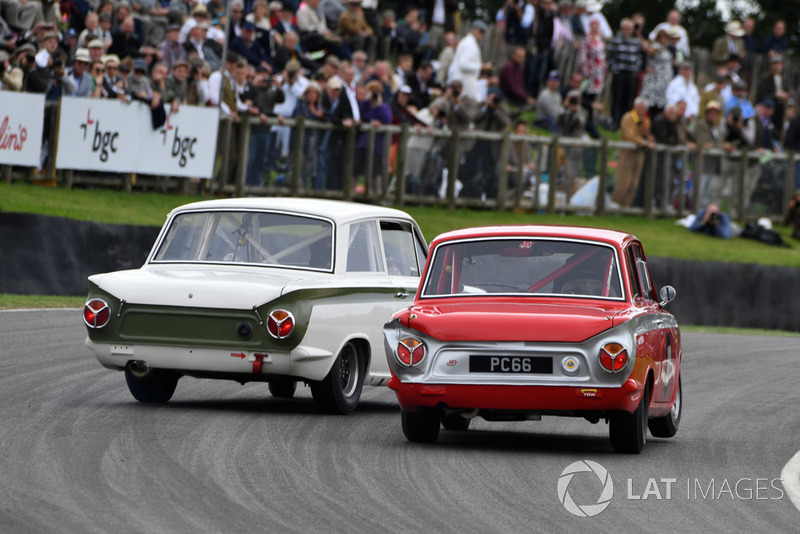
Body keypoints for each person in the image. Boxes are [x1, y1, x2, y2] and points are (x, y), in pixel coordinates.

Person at [613, 97, 654, 207]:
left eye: (643, 109)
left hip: (639, 154)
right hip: (627, 153)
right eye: (639, 108)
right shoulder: (628, 118)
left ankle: (625, 208)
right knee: (623, 181)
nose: (641, 111)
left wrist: (648, 139)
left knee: (633, 183)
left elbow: (645, 136)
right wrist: (644, 143)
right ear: (635, 107)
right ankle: (615, 206)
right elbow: (629, 135)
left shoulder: (646, 121)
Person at [605, 18, 642, 130]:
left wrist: (636, 68)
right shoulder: (615, 41)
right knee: (617, 97)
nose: (626, 30)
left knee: (628, 99)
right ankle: (615, 122)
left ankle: (625, 123)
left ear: (631, 30)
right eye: (624, 28)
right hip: (619, 73)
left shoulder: (635, 42)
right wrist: (615, 68)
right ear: (621, 29)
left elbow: (638, 58)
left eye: (629, 28)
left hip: (630, 74)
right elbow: (609, 56)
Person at [447, 19, 487, 103]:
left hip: (466, 79)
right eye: (480, 31)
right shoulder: (469, 43)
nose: (482, 34)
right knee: (477, 102)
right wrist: (481, 67)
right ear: (473, 29)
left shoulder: (470, 42)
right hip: (464, 80)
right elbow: (463, 65)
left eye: (483, 32)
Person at [639, 27, 673, 119]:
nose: (663, 39)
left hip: (664, 83)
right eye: (661, 37)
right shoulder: (656, 46)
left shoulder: (667, 50)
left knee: (661, 107)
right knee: (651, 106)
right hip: (655, 81)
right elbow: (649, 51)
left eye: (665, 37)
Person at [755, 54, 790, 138]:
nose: (778, 67)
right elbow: (761, 94)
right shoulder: (765, 79)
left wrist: (786, 95)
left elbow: (788, 91)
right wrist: (776, 95)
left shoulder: (783, 79)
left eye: (779, 64)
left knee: (779, 127)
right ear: (771, 66)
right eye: (775, 64)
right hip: (769, 108)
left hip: (781, 108)